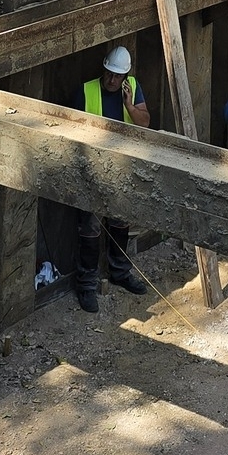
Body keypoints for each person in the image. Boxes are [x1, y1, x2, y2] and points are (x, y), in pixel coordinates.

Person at [67, 46, 150, 312]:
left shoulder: (133, 87)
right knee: (90, 228)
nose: (112, 80)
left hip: (121, 168)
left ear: (125, 75)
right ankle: (87, 284)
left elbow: (144, 122)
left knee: (120, 221)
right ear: (104, 69)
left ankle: (120, 273)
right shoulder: (86, 90)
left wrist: (128, 104)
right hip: (92, 169)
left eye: (117, 76)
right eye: (109, 74)